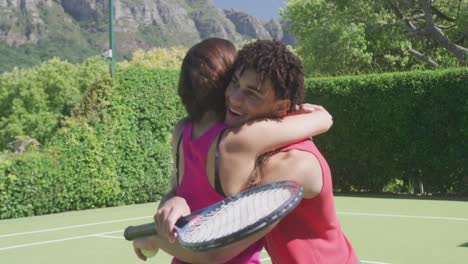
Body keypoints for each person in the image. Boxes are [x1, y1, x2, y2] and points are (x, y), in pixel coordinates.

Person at [132, 38, 333, 263]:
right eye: (234, 82)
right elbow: (319, 121)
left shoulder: (186, 132)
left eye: (251, 93)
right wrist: (322, 116)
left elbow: (184, 198)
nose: (235, 98)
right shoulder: (240, 138)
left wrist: (156, 229)